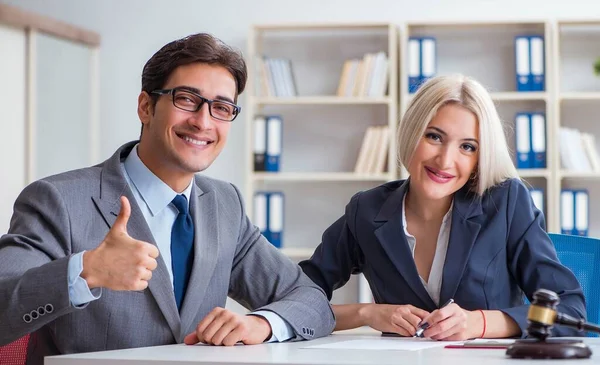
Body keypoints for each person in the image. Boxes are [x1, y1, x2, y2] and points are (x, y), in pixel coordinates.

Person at [0, 33, 334, 363]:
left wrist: (261, 323)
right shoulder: (58, 200)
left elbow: (310, 299)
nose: (203, 122)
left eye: (221, 107)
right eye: (187, 99)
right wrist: (84, 271)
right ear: (146, 107)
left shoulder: (224, 203)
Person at [299, 74, 585, 341]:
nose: (446, 161)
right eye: (434, 136)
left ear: (479, 158)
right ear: (412, 133)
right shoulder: (367, 210)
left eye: (467, 147)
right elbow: (296, 300)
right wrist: (366, 313)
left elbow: (569, 310)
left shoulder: (506, 202)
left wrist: (480, 323)